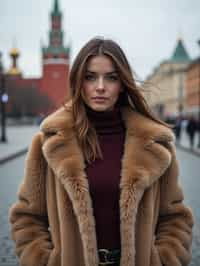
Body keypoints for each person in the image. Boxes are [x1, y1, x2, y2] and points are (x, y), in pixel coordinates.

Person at [9, 38, 193, 266]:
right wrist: (45, 260)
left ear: (123, 83)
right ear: (78, 81)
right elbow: (27, 217)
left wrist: (164, 259)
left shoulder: (155, 144)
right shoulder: (49, 143)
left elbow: (175, 217)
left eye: (111, 77)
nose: (100, 86)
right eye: (90, 76)